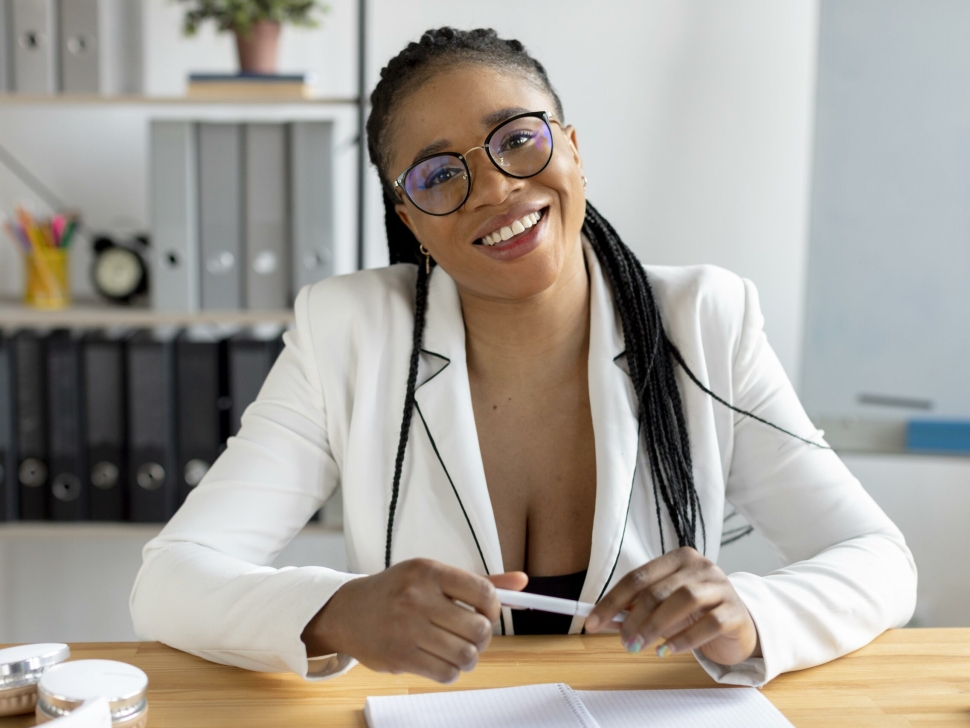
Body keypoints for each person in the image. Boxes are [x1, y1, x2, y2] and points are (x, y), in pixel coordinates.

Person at [130, 27, 917, 687]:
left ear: (572, 149)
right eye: (441, 174)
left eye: (518, 139)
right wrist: (334, 610)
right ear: (410, 219)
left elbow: (879, 561)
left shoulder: (703, 319)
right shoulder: (349, 333)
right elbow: (169, 580)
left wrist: (750, 615)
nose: (497, 188)